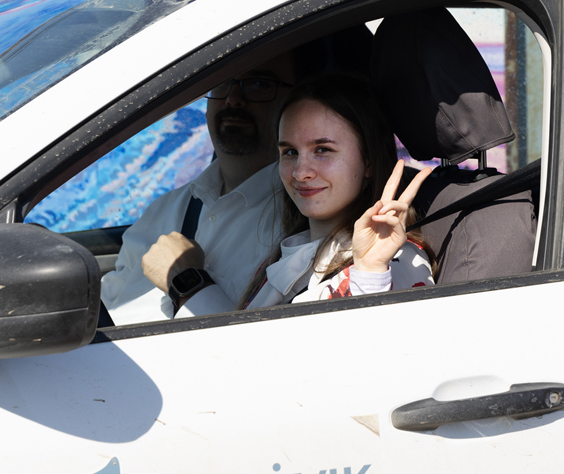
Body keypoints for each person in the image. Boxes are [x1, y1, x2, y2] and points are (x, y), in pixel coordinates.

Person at [176, 74, 434, 315]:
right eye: (290, 152)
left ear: (368, 160)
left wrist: (370, 274)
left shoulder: (392, 257)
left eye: (322, 150)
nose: (300, 173)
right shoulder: (288, 254)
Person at [100, 51, 296, 324]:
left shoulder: (298, 226)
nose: (233, 99)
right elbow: (106, 304)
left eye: (259, 85)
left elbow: (250, 354)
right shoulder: (165, 208)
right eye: (223, 83)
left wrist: (187, 281)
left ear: (297, 102)